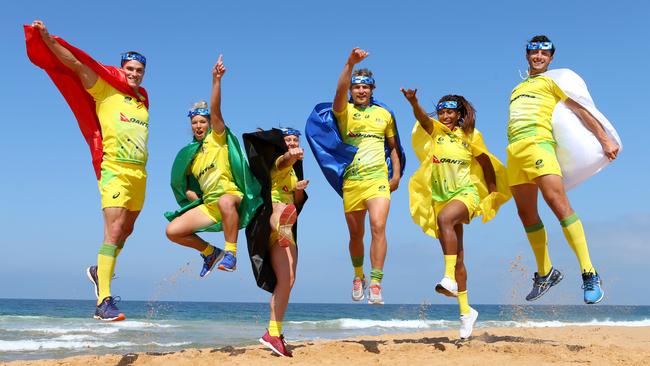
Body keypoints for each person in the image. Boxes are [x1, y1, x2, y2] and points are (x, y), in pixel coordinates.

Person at [27, 20, 150, 321]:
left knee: (127, 230)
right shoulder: (105, 89)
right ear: (121, 69)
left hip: (139, 174)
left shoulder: (143, 99)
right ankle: (103, 302)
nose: (134, 74)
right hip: (114, 168)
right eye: (130, 69)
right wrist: (49, 40)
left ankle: (98, 270)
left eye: (139, 70)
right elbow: (77, 64)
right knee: (113, 230)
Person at [507, 35, 619, 304]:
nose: (538, 57)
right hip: (514, 150)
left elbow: (580, 111)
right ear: (527, 55)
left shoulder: (552, 82)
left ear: (551, 58)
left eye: (544, 54)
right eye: (534, 52)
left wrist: (604, 139)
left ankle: (589, 273)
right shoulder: (517, 88)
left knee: (557, 203)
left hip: (539, 145)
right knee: (525, 213)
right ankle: (546, 272)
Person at [403, 90, 510, 339]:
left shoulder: (471, 136)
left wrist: (492, 195)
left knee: (444, 220)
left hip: (466, 194)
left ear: (459, 114)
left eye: (450, 112)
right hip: (440, 197)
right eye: (442, 112)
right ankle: (465, 312)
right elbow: (422, 119)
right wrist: (414, 102)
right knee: (458, 257)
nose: (445, 116)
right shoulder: (436, 132)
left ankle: (448, 277)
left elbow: (486, 165)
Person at [165, 55, 261, 277]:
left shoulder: (217, 139)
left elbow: (216, 111)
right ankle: (210, 253)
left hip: (231, 196)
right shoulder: (190, 155)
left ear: (208, 124)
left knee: (226, 200)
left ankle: (231, 254)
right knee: (172, 231)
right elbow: (186, 186)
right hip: (209, 206)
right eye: (194, 123)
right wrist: (192, 197)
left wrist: (216, 81)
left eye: (202, 122)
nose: (198, 125)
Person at [331, 48, 403, 304]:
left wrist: (396, 175)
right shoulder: (343, 112)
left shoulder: (384, 115)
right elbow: (338, 93)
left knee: (379, 227)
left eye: (366, 87)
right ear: (352, 91)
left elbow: (393, 147)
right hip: (352, 181)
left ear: (373, 90)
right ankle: (358, 275)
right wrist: (349, 64)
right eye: (356, 87)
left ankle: (376, 282)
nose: (361, 91)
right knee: (355, 235)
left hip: (378, 179)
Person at [243, 127, 309, 357]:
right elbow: (283, 161)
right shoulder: (278, 162)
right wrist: (291, 155)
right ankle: (281, 225)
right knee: (280, 209)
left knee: (288, 279)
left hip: (287, 229)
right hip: (271, 215)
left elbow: (299, 202)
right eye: (288, 140)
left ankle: (273, 332)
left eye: (295, 140)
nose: (291, 142)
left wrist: (299, 190)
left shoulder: (295, 173)